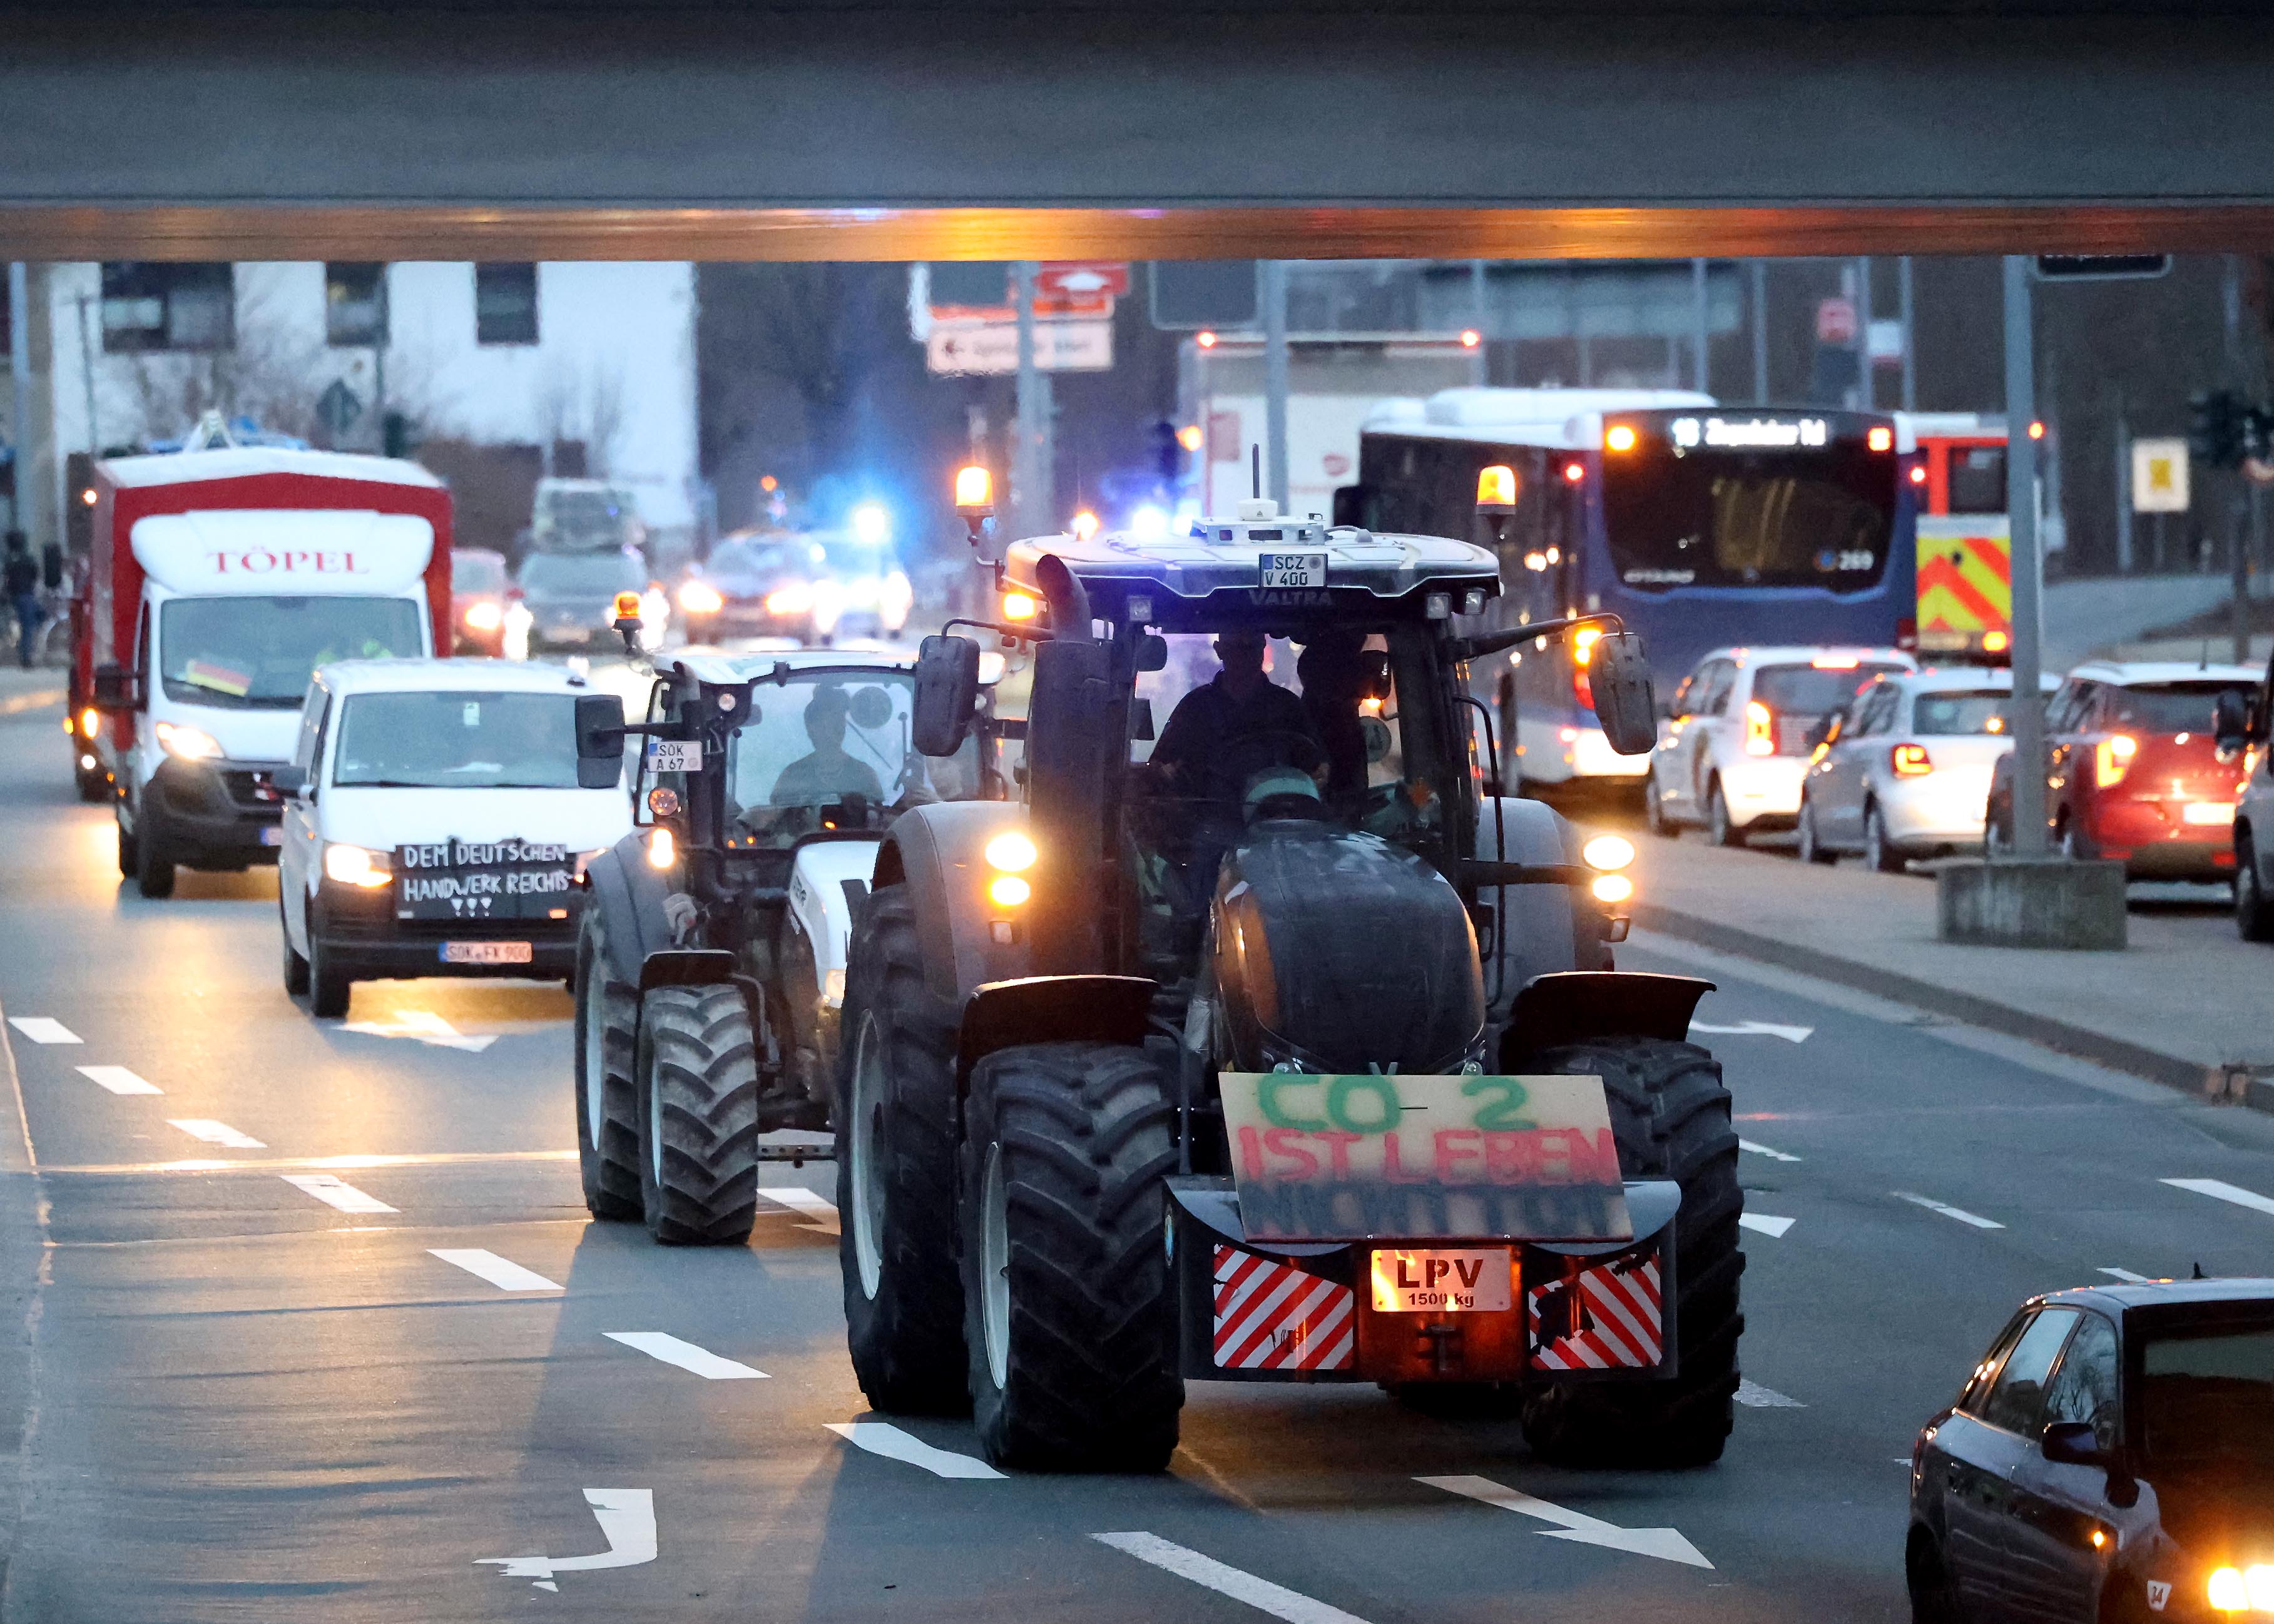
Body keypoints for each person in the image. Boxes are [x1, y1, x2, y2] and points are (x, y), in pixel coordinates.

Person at [1149, 629, 1321, 811]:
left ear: (1263, 647)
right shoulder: (1195, 707)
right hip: (1207, 819)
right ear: (1219, 650)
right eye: (1236, 647)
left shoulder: (1288, 706)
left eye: (1251, 647)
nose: (1245, 655)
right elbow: (1160, 764)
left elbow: (1317, 768)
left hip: (1278, 818)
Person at [769, 686, 887, 806]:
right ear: (812, 727)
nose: (840, 724)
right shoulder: (792, 777)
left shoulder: (864, 775)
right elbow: (775, 819)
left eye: (841, 717)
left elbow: (879, 819)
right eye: (832, 716)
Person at [4, 533, 41, 669]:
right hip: (26, 595)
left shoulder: (8, 560)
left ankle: (20, 649)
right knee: (28, 627)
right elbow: (35, 574)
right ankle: (26, 655)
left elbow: (7, 579)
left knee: (22, 624)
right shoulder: (27, 559)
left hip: (12, 596)